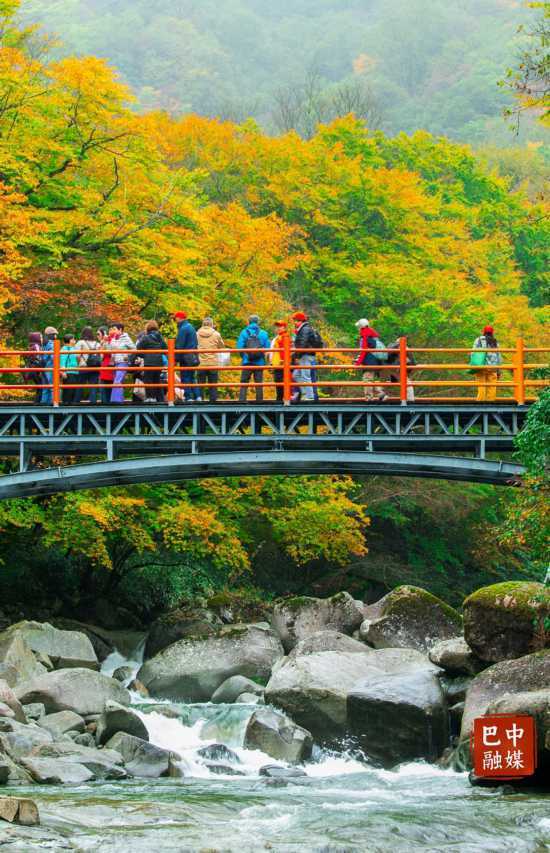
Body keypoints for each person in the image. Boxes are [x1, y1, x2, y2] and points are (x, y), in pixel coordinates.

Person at [237, 314, 270, 402]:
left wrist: (244, 356)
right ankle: (259, 401)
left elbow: (239, 347)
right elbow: (268, 348)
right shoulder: (264, 333)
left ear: (249, 322)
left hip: (247, 361)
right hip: (259, 362)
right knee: (259, 383)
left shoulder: (244, 332)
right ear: (257, 322)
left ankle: (242, 401)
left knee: (244, 382)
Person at [354, 318, 387, 401]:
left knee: (367, 379)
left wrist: (358, 362)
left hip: (369, 362)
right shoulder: (372, 336)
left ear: (361, 327)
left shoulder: (365, 336)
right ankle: (381, 394)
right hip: (375, 361)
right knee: (370, 379)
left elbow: (364, 351)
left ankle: (369, 398)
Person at [291, 311, 321, 403]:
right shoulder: (303, 329)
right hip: (303, 355)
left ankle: (310, 396)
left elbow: (303, 344)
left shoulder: (305, 329)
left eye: (296, 320)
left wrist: (295, 355)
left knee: (305, 376)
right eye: (294, 320)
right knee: (296, 375)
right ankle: (306, 394)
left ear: (301, 320)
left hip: (306, 355)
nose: (295, 322)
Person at [138, 320, 168, 403]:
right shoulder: (160, 338)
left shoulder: (146, 337)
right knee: (157, 380)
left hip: (149, 362)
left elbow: (138, 348)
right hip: (158, 362)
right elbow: (165, 349)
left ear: (147, 328)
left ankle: (150, 398)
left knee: (148, 380)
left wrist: (144, 356)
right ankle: (158, 398)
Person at [175, 311, 201, 402]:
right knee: (192, 377)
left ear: (179, 318)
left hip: (185, 357)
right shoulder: (191, 327)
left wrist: (175, 359)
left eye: (176, 317)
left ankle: (188, 397)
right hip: (193, 356)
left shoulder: (183, 329)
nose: (175, 319)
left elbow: (179, 345)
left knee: (185, 377)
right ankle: (198, 396)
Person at [197, 317, 225, 403]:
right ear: (212, 324)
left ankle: (200, 400)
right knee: (213, 384)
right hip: (213, 362)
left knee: (200, 384)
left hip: (201, 363)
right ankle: (213, 401)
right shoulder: (216, 334)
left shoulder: (197, 334)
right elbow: (222, 346)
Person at [472, 325, 502, 402]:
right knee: (492, 386)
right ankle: (490, 403)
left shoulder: (478, 340)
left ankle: (480, 402)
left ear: (483, 332)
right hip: (492, 367)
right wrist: (499, 370)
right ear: (492, 332)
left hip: (481, 366)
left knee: (481, 385)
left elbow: (473, 353)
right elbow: (499, 357)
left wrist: (473, 367)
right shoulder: (495, 342)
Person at [109, 323, 135, 404]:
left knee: (117, 381)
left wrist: (128, 356)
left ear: (120, 330)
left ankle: (116, 401)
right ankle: (119, 400)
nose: (113, 331)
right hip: (115, 362)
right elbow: (111, 348)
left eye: (114, 329)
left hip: (123, 362)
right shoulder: (114, 338)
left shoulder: (126, 338)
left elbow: (134, 348)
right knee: (117, 381)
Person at [74, 326, 102, 404]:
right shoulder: (97, 343)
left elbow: (77, 355)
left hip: (84, 366)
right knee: (93, 385)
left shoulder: (81, 342)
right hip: (95, 367)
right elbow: (101, 356)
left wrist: (79, 363)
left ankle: (77, 402)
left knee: (80, 385)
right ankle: (93, 402)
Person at [387, 336, 416, 402]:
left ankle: (409, 400)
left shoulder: (405, 348)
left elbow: (412, 361)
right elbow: (412, 362)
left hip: (397, 368)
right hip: (394, 368)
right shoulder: (393, 345)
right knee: (407, 384)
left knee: (406, 383)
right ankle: (410, 400)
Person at [40, 326, 58, 405]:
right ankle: (52, 403)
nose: (56, 336)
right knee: (52, 387)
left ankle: (43, 404)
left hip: (43, 367)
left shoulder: (43, 343)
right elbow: (53, 357)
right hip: (50, 367)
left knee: (45, 388)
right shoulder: (52, 344)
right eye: (55, 334)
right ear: (52, 335)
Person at [270, 321, 287, 402]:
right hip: (276, 364)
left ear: (284, 327)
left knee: (280, 382)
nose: (278, 328)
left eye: (280, 326)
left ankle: (280, 400)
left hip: (281, 364)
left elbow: (284, 351)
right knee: (278, 382)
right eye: (277, 326)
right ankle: (279, 399)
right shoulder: (277, 337)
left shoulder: (284, 337)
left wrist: (282, 360)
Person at [60, 334, 79, 405]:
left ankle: (71, 405)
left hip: (75, 372)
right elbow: (62, 360)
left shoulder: (73, 348)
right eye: (73, 339)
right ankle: (66, 405)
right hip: (68, 372)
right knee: (68, 391)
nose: (74, 340)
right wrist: (63, 372)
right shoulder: (65, 349)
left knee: (73, 390)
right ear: (70, 340)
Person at [25, 332, 43, 404]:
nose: (42, 339)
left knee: (39, 386)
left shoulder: (31, 346)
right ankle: (38, 402)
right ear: (37, 338)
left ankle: (37, 402)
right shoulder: (36, 346)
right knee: (41, 386)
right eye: (40, 337)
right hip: (36, 369)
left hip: (33, 368)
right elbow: (39, 357)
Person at [97, 326, 114, 404]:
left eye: (98, 334)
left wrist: (103, 343)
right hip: (108, 366)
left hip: (107, 366)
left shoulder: (109, 341)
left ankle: (105, 405)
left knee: (104, 388)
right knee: (108, 388)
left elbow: (102, 354)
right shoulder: (109, 341)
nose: (97, 336)